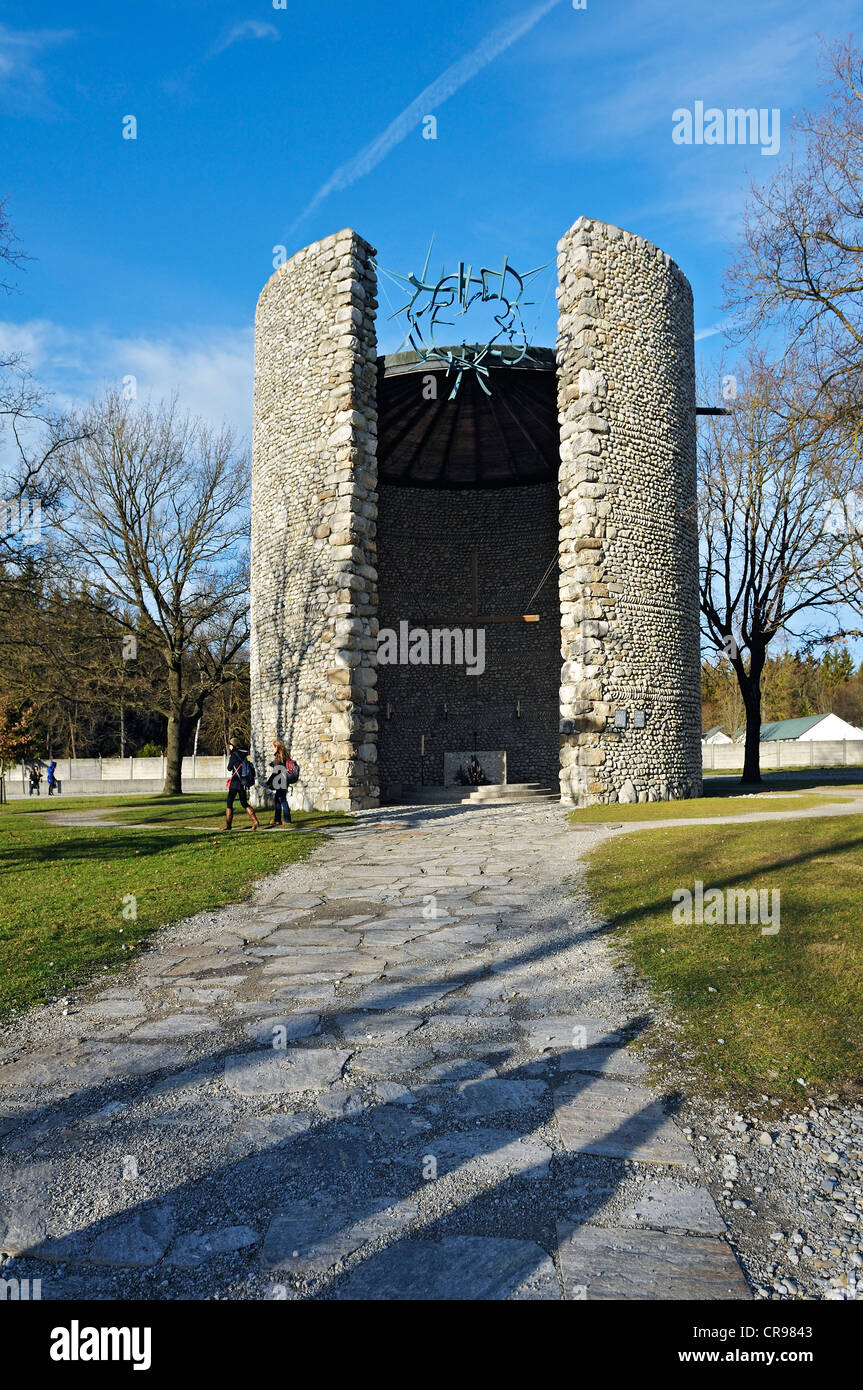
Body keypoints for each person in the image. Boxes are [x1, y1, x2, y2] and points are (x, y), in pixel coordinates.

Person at [224, 736, 260, 832]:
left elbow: (229, 768)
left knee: (229, 802)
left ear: (233, 746)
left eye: (230, 745)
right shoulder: (243, 754)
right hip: (243, 782)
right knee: (244, 803)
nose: (229, 747)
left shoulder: (234, 755)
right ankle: (255, 821)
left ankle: (228, 825)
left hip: (235, 782)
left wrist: (231, 758)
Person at [265, 739, 292, 829]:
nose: (272, 749)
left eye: (273, 747)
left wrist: (268, 782)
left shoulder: (279, 758)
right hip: (282, 780)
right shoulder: (284, 756)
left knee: (282, 800)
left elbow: (276, 773)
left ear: (277, 747)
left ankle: (287, 820)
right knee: (277, 799)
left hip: (281, 781)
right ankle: (277, 819)